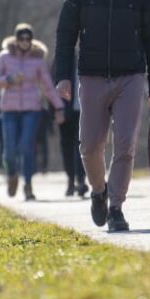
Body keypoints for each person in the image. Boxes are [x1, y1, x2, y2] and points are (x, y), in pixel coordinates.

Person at [54, 0, 150, 232]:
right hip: (92, 76)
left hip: (131, 76)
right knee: (90, 145)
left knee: (126, 144)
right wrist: (62, 76)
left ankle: (116, 207)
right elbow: (65, 35)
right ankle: (98, 190)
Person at [0, 23, 65, 200]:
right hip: (9, 110)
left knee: (26, 146)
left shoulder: (38, 60)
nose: (25, 41)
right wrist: (9, 79)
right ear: (16, 40)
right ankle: (12, 175)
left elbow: (48, 86)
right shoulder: (4, 57)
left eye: (28, 39)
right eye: (21, 38)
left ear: (31, 40)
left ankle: (28, 184)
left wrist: (59, 106)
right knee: (9, 150)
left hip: (32, 109)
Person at [59, 52, 88, 198]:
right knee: (67, 147)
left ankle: (81, 180)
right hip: (65, 110)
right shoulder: (64, 57)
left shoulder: (92, 55)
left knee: (81, 145)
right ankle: (71, 179)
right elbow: (53, 83)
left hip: (85, 110)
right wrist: (56, 109)